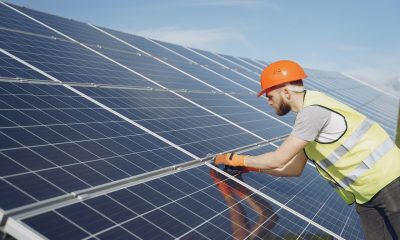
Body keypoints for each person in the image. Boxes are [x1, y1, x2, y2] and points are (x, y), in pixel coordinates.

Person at [214, 60, 400, 240]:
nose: (268, 102)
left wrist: (235, 159)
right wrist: (251, 168)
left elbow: (278, 159)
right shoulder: (308, 118)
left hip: (390, 184)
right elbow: (292, 169)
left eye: (269, 96)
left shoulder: (312, 113)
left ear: (286, 92)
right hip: (366, 195)